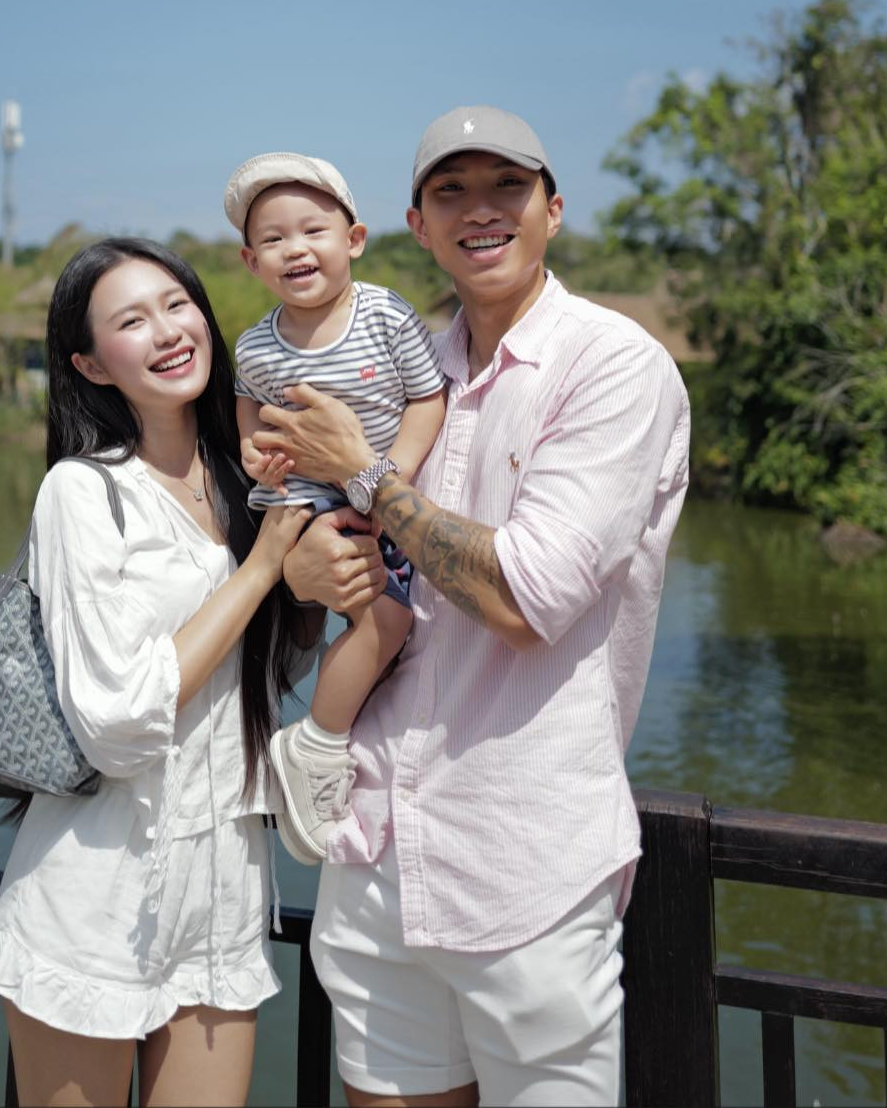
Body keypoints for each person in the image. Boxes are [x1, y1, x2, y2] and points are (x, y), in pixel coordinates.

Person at [253, 106, 691, 1107]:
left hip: (524, 863)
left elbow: (524, 598)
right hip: (377, 846)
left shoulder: (611, 365)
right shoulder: (398, 366)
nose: (480, 211)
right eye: (451, 192)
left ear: (553, 210)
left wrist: (365, 476)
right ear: (416, 224)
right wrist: (306, 572)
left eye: (508, 187)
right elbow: (336, 555)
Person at [0, 237, 319, 1108]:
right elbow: (118, 725)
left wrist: (312, 571)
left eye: (176, 303)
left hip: (223, 887)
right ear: (90, 363)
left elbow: (272, 668)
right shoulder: (84, 493)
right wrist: (261, 570)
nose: (166, 331)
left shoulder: (245, 481)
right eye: (131, 321)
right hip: (97, 892)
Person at [222, 152, 447, 868]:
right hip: (302, 503)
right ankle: (319, 743)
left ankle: (326, 739)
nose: (296, 249)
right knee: (388, 617)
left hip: (378, 493)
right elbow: (249, 415)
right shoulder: (257, 346)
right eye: (274, 239)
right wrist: (255, 454)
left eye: (313, 231)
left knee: (387, 622)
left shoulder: (386, 316)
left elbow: (427, 399)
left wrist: (389, 476)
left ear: (354, 240)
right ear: (251, 261)